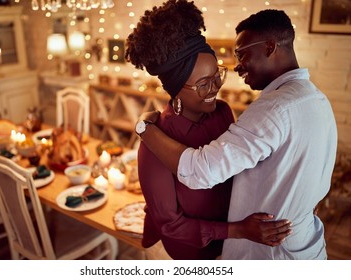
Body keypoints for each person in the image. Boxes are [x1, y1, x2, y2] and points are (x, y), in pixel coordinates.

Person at [136, 9, 337, 260]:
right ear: (176, 90)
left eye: (216, 76)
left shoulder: (226, 112)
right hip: (197, 252)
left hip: (260, 248)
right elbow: (171, 224)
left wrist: (143, 128)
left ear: (270, 47)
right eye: (203, 83)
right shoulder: (313, 98)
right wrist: (236, 231)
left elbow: (204, 171)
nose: (217, 87)